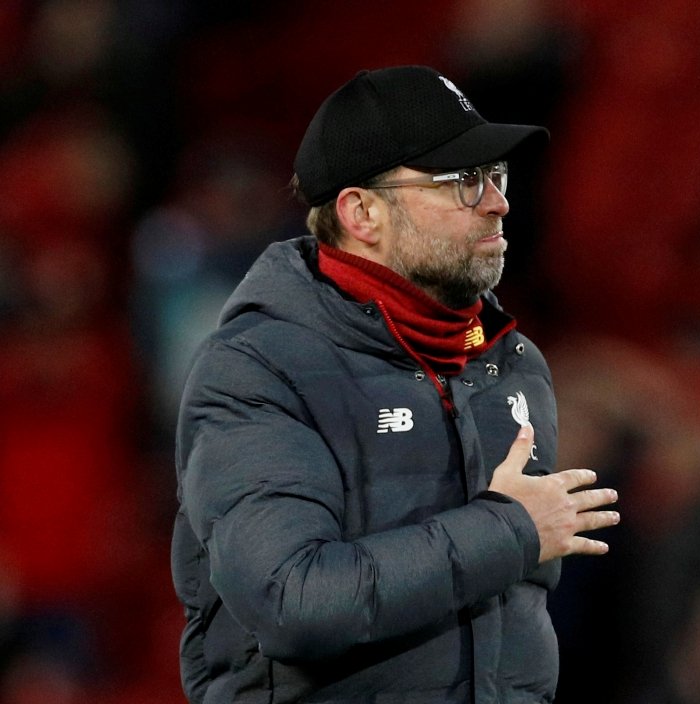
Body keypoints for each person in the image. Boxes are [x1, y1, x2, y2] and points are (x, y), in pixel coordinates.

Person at [171, 65, 619, 704]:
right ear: (362, 212)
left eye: (498, 176)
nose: (498, 201)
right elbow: (293, 601)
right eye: (464, 181)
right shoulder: (260, 368)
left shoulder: (510, 365)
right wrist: (510, 531)